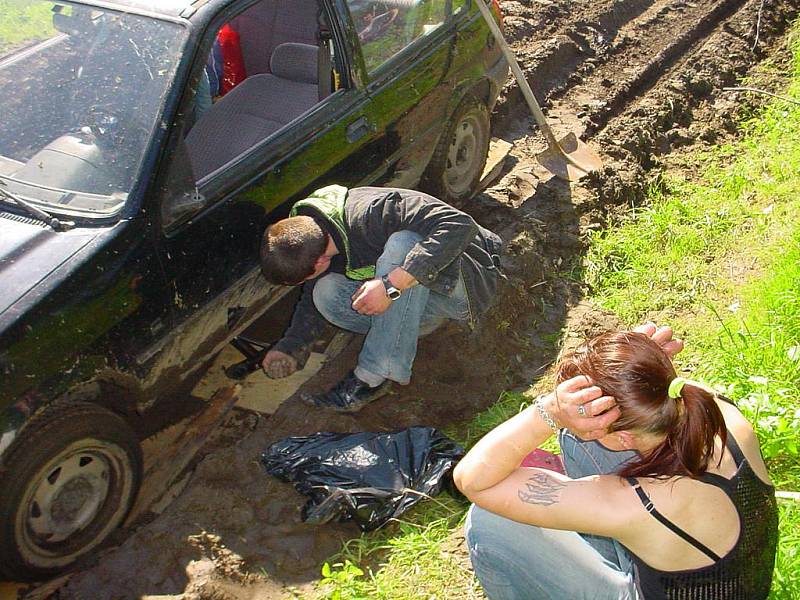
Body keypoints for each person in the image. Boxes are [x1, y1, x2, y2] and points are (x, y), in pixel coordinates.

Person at [454, 323, 778, 600]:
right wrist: (640, 366)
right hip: (725, 575)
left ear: (624, 438)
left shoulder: (639, 504)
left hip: (661, 560)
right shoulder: (711, 406)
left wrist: (549, 413)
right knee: (578, 441)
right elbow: (647, 395)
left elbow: (472, 480)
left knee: (488, 521)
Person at [259, 184, 503, 412]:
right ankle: (403, 331)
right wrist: (291, 347)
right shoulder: (313, 237)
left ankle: (371, 378)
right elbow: (310, 299)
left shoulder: (376, 212)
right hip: (421, 302)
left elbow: (460, 225)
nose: (304, 282)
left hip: (470, 281)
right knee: (324, 293)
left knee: (403, 245)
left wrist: (390, 285)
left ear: (320, 261)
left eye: (303, 277)